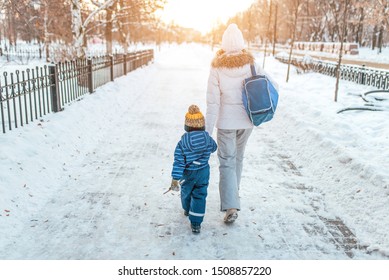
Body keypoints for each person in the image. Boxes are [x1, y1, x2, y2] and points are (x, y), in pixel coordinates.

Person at [205, 23, 279, 223]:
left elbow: (213, 102)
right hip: (247, 121)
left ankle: (231, 205)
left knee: (226, 162)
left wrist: (206, 131)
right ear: (241, 43)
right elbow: (274, 85)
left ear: (224, 44)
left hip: (226, 123)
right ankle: (233, 198)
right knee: (238, 158)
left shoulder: (217, 67)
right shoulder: (252, 65)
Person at [170, 105, 217, 234]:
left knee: (186, 192)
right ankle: (196, 223)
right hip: (203, 171)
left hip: (188, 173)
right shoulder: (207, 138)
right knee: (200, 195)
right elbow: (214, 147)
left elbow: (179, 161)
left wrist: (175, 178)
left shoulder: (182, 143)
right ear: (202, 125)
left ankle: (187, 208)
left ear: (187, 126)